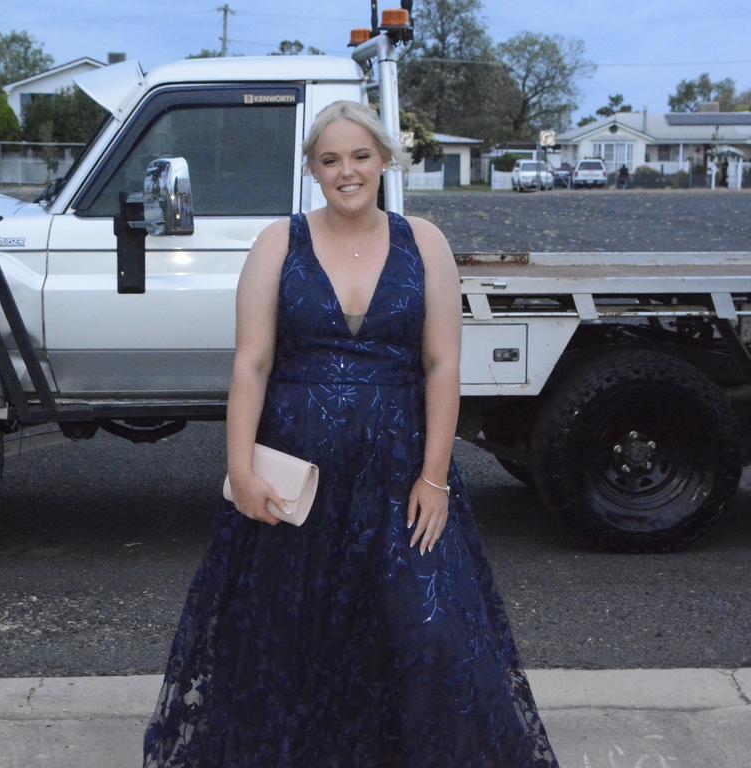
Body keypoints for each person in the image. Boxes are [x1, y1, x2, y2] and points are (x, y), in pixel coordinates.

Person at [143, 100, 560, 767]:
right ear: (311, 168)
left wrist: (433, 477)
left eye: (360, 157)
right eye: (330, 160)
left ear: (385, 161)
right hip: (297, 477)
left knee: (430, 634)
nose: (347, 172)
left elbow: (442, 364)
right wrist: (241, 471)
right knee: (288, 637)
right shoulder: (279, 243)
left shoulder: (424, 241)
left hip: (401, 476)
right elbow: (251, 362)